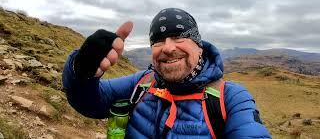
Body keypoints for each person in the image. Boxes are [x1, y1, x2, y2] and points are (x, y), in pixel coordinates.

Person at [62, 8, 271, 138]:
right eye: (159, 41)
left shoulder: (231, 99)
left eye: (179, 37)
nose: (168, 47)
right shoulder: (143, 82)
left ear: (199, 46)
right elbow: (89, 103)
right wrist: (81, 72)